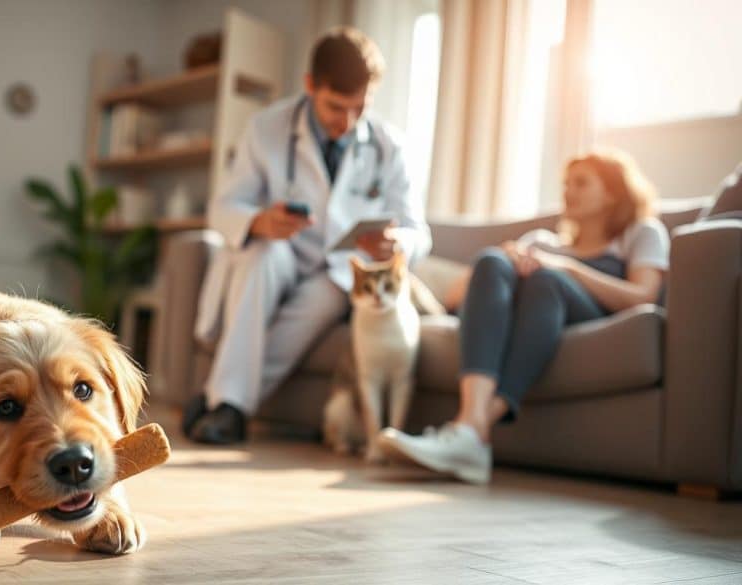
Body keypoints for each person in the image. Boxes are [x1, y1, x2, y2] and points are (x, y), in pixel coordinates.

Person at [183, 28, 432, 444]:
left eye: (360, 108)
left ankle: (224, 405)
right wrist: (259, 221)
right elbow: (224, 207)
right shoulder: (266, 128)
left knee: (328, 296)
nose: (348, 122)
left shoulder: (390, 147)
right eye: (337, 107)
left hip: (335, 271)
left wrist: (398, 243)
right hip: (278, 251)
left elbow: (418, 232)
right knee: (260, 258)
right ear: (310, 85)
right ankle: (223, 403)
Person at [378, 150, 670, 484]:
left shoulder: (641, 233)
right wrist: (501, 260)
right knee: (490, 260)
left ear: (612, 193)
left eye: (581, 183)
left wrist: (566, 268)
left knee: (546, 280)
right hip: (533, 314)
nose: (568, 191)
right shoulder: (541, 242)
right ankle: (470, 427)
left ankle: (471, 430)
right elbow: (454, 299)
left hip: (585, 314)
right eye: (565, 183)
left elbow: (644, 296)